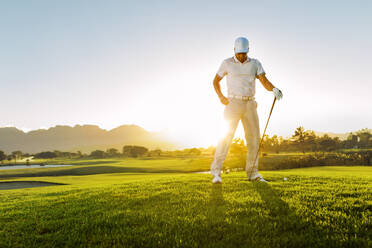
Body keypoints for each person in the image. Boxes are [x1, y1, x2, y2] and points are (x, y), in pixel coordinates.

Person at [210, 37, 283, 184]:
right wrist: (221, 97)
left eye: (244, 53)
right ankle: (216, 173)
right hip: (233, 103)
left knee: (254, 140)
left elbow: (263, 80)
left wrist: (273, 89)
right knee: (225, 139)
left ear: (248, 50)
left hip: (250, 104)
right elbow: (215, 81)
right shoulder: (227, 63)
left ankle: (253, 173)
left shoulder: (255, 63)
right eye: (239, 53)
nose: (242, 56)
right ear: (234, 50)